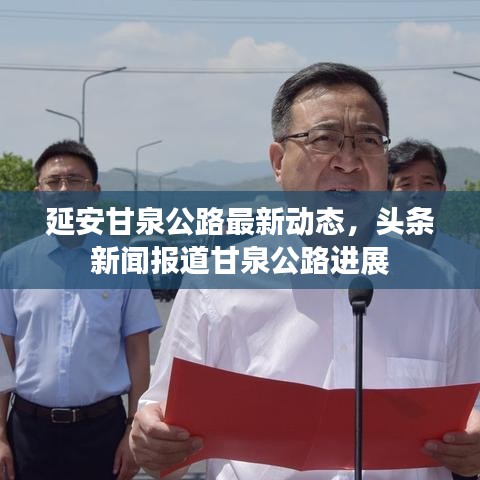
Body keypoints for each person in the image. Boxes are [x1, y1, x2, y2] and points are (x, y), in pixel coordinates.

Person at [129, 63, 480, 480]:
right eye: (324, 139)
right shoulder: (215, 284)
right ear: (279, 161)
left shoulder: (440, 284)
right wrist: (152, 441)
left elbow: (471, 412)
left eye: (368, 140)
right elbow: (163, 431)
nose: (348, 161)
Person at [0, 140, 161, 480]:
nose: (64, 190)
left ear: (94, 193)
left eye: (75, 180)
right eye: (53, 181)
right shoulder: (12, 266)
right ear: (38, 194)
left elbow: (137, 352)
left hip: (101, 433)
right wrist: (0, 435)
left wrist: (132, 429)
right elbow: (4, 354)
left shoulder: (123, 264)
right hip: (28, 432)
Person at [388, 138, 480, 304]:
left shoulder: (470, 261)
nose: (418, 192)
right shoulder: (368, 258)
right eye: (406, 184)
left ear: (442, 191)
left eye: (427, 183)